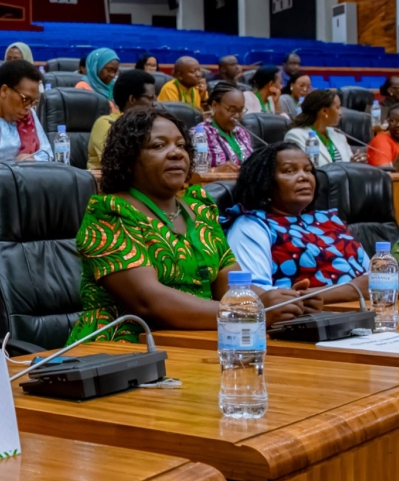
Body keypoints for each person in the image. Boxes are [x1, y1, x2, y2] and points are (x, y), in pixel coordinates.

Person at [69, 107, 311, 342]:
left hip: (198, 341)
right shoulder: (109, 213)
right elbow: (148, 300)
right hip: (122, 352)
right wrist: (250, 313)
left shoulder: (199, 209)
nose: (176, 153)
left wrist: (282, 301)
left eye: (181, 145)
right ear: (129, 158)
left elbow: (232, 286)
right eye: (158, 145)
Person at [224, 142, 371, 301]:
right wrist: (351, 290)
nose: (304, 177)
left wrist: (386, 280)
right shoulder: (251, 226)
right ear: (265, 182)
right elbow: (255, 293)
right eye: (289, 171)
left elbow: (368, 275)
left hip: (366, 312)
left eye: (308, 170)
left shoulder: (328, 220)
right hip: (308, 320)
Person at [88, 70, 156, 170]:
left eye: (155, 98)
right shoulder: (105, 123)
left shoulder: (152, 122)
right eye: (150, 98)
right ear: (132, 99)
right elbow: (116, 162)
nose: (154, 104)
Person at [284, 89, 365, 164]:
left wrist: (353, 164)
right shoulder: (296, 136)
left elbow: (348, 163)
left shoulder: (338, 134)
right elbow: (307, 167)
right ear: (324, 111)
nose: (341, 113)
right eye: (337, 107)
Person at [198, 84, 252, 173]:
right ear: (215, 105)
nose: (237, 116)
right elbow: (195, 175)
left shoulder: (242, 133)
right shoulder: (200, 134)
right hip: (215, 186)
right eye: (232, 110)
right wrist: (215, 171)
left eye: (241, 110)